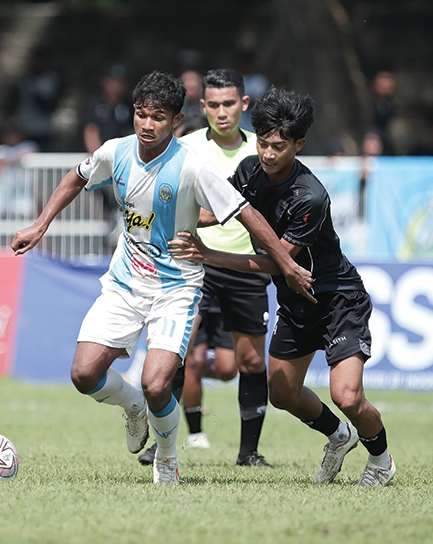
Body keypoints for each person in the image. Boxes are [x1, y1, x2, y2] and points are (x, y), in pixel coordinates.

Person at [10, 71, 312, 485]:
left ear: (176, 120)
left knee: (157, 384)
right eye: (141, 114)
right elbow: (77, 177)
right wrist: (40, 224)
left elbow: (247, 213)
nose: (147, 125)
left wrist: (287, 263)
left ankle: (167, 457)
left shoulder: (193, 166)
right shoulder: (115, 151)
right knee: (84, 375)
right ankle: (133, 407)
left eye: (158, 117)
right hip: (124, 284)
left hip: (176, 289)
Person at [169, 87, 397, 486]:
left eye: (279, 146)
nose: (268, 154)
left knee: (346, 396)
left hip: (337, 298)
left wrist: (208, 254)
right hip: (295, 304)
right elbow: (215, 210)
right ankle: (338, 436)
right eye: (263, 143)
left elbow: (279, 262)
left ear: (299, 144)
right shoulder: (249, 171)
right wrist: (171, 215)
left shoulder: (309, 197)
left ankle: (381, 461)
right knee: (282, 395)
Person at [138, 68, 273, 468]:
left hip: (245, 266)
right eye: (213, 105)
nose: (222, 112)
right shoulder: (186, 146)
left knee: (249, 363)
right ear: (203, 106)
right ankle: (162, 443)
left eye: (229, 103)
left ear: (244, 103)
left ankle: (249, 453)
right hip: (195, 264)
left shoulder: (263, 150)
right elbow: (162, 197)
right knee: (176, 354)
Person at [81, 64, 133, 153]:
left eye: (120, 82)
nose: (116, 86)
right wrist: (98, 156)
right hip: (99, 154)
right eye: (113, 81)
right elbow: (91, 131)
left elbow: (132, 132)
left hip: (122, 154)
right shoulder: (94, 103)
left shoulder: (128, 105)